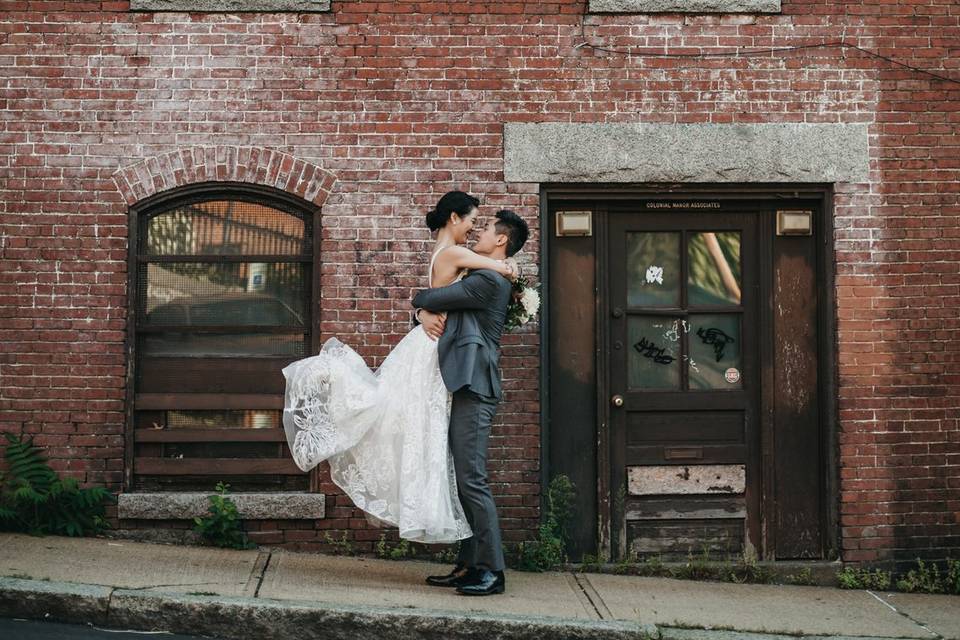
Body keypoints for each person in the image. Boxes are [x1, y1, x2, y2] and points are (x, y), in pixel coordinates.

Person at [281, 191, 516, 546]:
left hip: (438, 349)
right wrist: (507, 267)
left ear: (500, 238)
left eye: (480, 226)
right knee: (416, 430)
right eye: (471, 220)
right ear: (454, 218)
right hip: (432, 349)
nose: (473, 228)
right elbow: (438, 294)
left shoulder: (460, 260)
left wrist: (422, 311)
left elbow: (444, 298)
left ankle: (471, 555)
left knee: (417, 431)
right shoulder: (457, 254)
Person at [414, 208, 529, 596]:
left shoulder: (485, 283)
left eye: (486, 230)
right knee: (462, 479)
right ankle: (467, 564)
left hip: (476, 387)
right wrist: (421, 313)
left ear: (501, 240)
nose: (477, 233)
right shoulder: (484, 276)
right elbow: (431, 309)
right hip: (464, 385)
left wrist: (419, 304)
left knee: (472, 479)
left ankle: (492, 571)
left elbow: (427, 295)